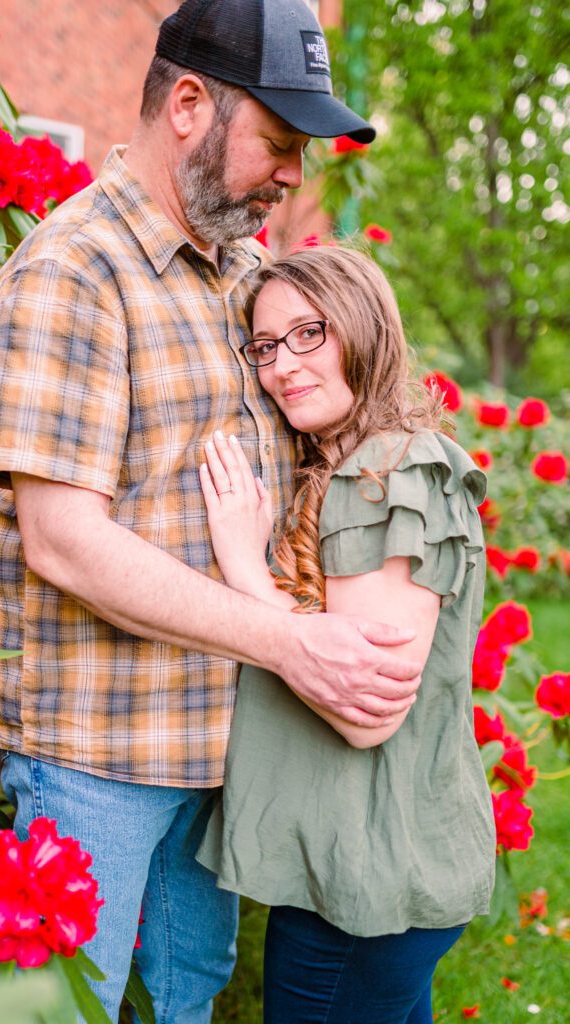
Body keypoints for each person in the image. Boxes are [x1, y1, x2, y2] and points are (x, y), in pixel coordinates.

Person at [0, 1, 422, 1019]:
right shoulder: (71, 273)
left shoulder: (245, 276)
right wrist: (290, 641)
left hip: (216, 749)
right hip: (96, 762)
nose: (297, 174)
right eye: (279, 142)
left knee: (186, 1000)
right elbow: (66, 541)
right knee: (65, 1008)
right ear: (187, 105)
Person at [196, 245, 497, 1024]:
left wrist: (241, 565)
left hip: (366, 884)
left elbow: (367, 710)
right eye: (264, 347)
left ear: (362, 328)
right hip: (372, 867)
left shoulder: (383, 475)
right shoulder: (363, 466)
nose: (280, 366)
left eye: (307, 334)